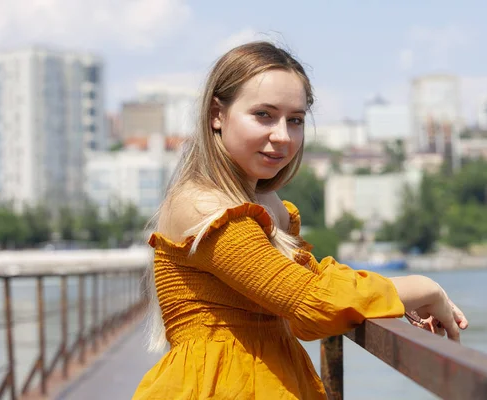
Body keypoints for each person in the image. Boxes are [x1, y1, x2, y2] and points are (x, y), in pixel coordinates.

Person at [133, 41, 468, 400]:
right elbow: (310, 303)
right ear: (217, 114)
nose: (282, 136)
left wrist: (396, 301)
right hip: (215, 387)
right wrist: (423, 288)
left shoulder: (265, 204)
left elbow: (316, 280)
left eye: (294, 120)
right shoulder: (204, 207)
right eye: (264, 114)